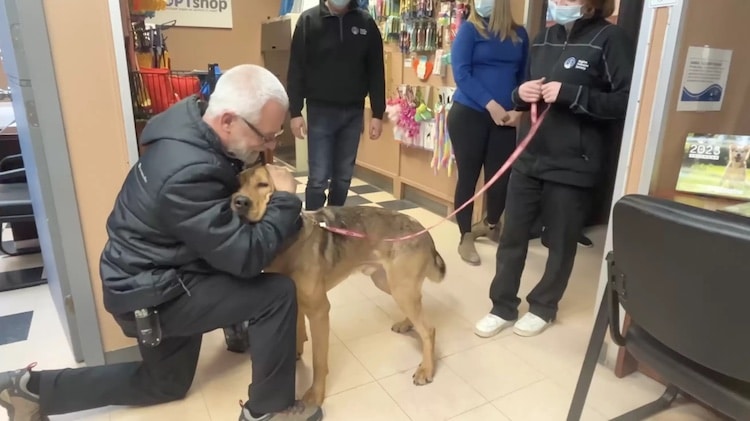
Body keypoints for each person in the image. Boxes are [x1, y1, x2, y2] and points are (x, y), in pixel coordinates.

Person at [0, 65, 324, 421]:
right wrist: (285, 200)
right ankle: (269, 411)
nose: (271, 146)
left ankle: (30, 390)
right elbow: (245, 257)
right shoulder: (188, 172)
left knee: (165, 384)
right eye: (265, 136)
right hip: (155, 294)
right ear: (229, 120)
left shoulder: (195, 130)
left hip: (148, 277)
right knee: (275, 294)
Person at [474, 0, 633, 338]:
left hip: (575, 162)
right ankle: (502, 306)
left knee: (560, 242)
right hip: (530, 157)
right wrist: (520, 93)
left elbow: (624, 101)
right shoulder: (543, 39)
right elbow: (522, 92)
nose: (560, 3)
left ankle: (544, 307)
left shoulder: (610, 38)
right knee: (512, 236)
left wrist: (572, 93)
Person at [448, 0, 529, 265]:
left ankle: (492, 223)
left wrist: (519, 108)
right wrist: (490, 104)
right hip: (469, 114)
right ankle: (465, 235)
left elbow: (524, 77)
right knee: (468, 177)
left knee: (500, 179)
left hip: (505, 119)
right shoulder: (469, 30)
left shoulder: (520, 34)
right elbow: (461, 73)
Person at [287, 0, 386, 211]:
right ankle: (313, 225)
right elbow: (296, 68)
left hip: (353, 111)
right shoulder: (308, 21)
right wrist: (295, 111)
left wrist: (378, 113)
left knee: (343, 178)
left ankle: (334, 224)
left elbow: (376, 71)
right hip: (319, 111)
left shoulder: (366, 22)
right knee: (318, 178)